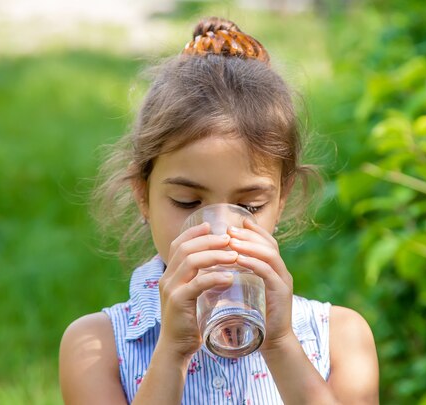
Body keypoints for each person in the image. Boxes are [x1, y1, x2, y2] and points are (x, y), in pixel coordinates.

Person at [59, 17, 379, 405]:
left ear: (280, 201)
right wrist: (171, 354)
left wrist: (279, 344)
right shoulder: (97, 346)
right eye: (188, 202)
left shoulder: (339, 338)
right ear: (143, 194)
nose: (219, 231)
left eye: (249, 206)